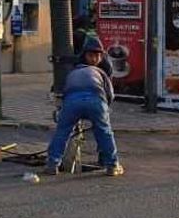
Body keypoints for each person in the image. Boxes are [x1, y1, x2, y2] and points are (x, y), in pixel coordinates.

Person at [43, 36, 124, 177]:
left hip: (71, 103)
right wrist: (105, 110)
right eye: (92, 55)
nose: (94, 59)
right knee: (104, 132)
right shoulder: (101, 72)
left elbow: (65, 92)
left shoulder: (73, 72)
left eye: (97, 55)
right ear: (85, 55)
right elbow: (110, 94)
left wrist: (63, 112)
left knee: (62, 132)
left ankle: (52, 164)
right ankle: (112, 165)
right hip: (96, 101)